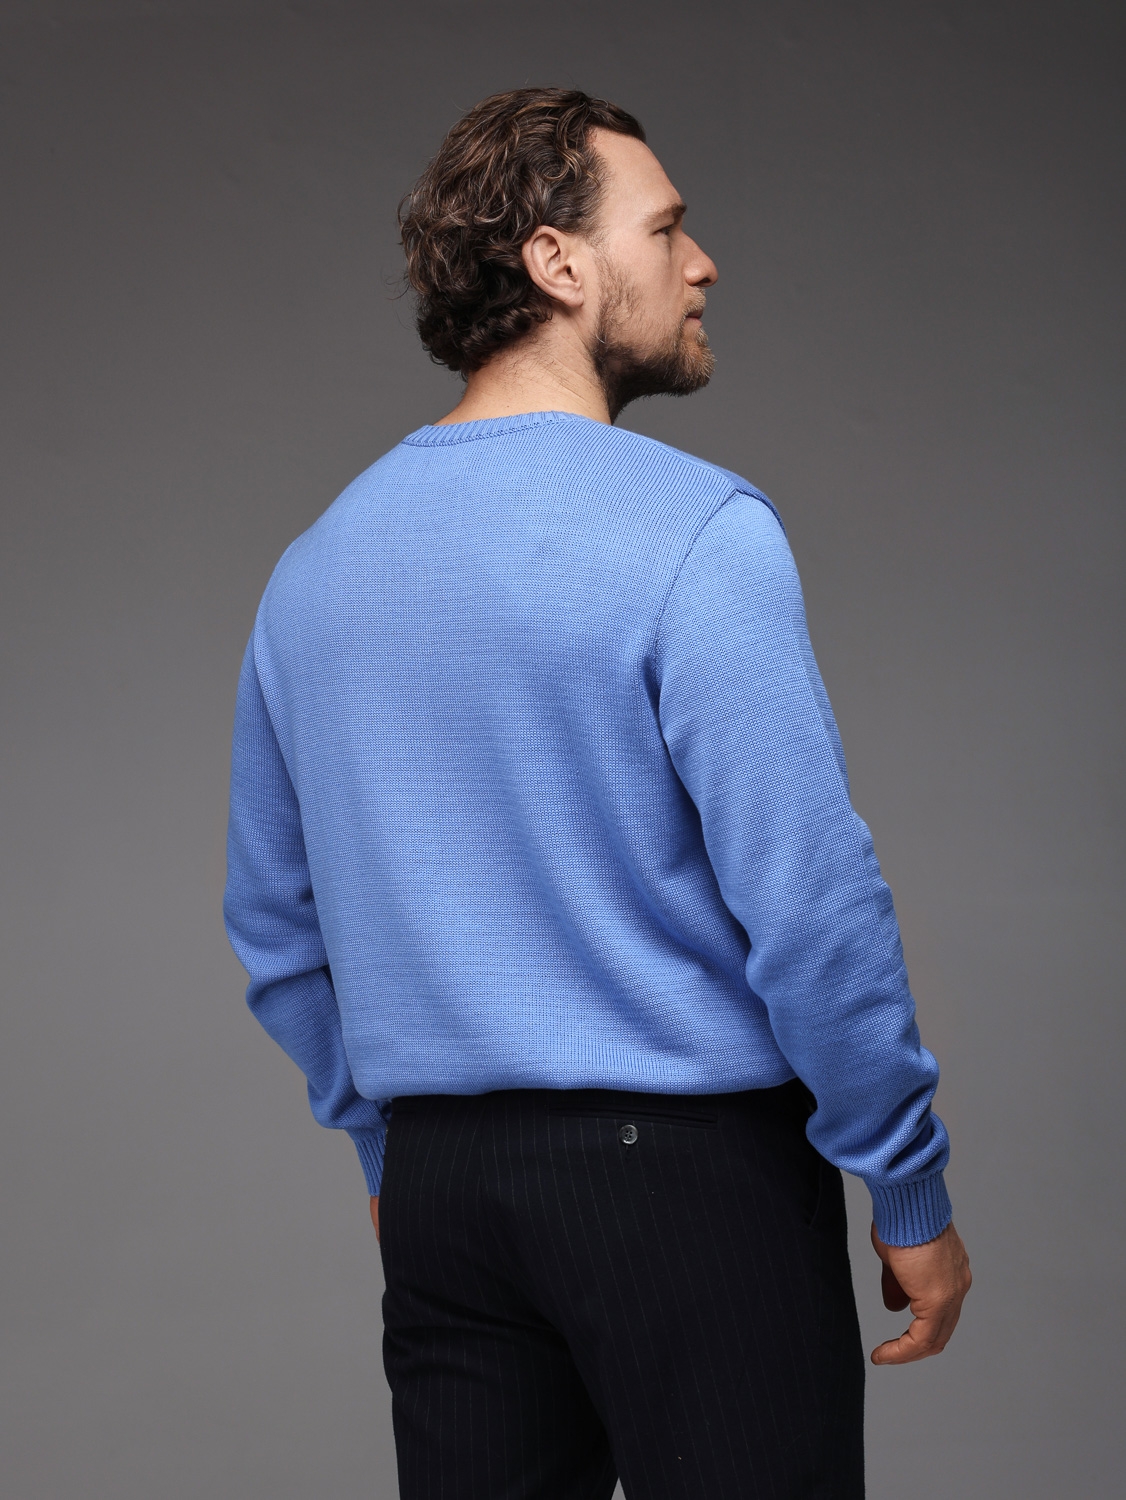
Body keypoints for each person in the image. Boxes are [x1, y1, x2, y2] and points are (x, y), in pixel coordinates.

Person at [224, 87, 971, 1499]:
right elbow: (811, 903)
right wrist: (904, 1176)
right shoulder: (697, 531)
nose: (702, 265)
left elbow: (274, 922)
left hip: (445, 1196)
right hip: (691, 1186)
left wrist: (389, 1151)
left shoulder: (314, 569)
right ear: (558, 263)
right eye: (667, 229)